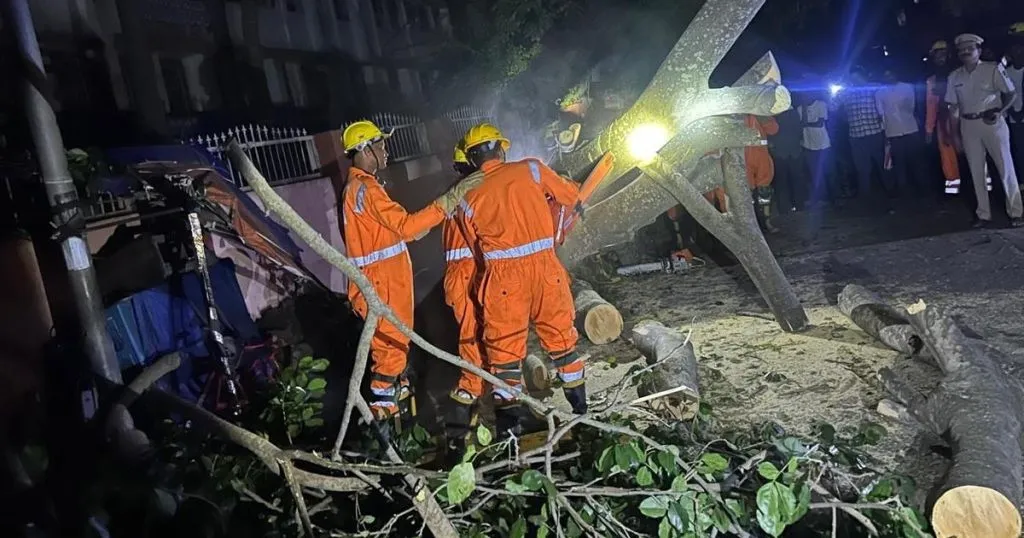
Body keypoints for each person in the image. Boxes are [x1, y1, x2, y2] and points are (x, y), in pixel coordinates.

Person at [340, 120, 482, 428]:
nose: (386, 151)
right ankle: (386, 439)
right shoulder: (364, 189)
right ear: (365, 149)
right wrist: (449, 199)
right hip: (382, 288)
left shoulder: (362, 188)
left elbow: (394, 235)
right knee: (388, 364)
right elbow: (407, 227)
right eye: (380, 145)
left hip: (385, 285)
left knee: (395, 363)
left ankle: (400, 432)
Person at [456, 123, 586, 435]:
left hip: (502, 280)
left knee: (504, 357)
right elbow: (570, 194)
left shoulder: (465, 196)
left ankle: (510, 436)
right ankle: (583, 417)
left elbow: (474, 245)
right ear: (501, 148)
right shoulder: (532, 169)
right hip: (545, 271)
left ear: (472, 159)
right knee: (563, 344)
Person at [945, 33, 1023, 228]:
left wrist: (1001, 112)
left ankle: (1016, 212)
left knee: (1006, 168)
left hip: (993, 124)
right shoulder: (954, 77)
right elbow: (953, 108)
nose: (965, 52)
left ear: (978, 51)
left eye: (970, 49)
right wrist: (954, 135)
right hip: (968, 125)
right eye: (962, 50)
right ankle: (983, 214)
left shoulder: (992, 69)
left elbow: (1011, 94)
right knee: (976, 171)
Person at [442, 141, 488, 456]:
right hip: (468, 280)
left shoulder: (458, 195)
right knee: (475, 362)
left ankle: (462, 438)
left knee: (481, 355)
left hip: (463, 280)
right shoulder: (469, 195)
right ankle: (457, 443)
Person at [832, 68, 888, 201]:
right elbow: (832, 107)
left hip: (875, 133)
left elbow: (888, 102)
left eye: (857, 78)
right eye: (852, 79)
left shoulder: (874, 87)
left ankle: (890, 191)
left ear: (864, 77)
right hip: (856, 137)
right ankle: (865, 197)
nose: (855, 81)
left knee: (882, 164)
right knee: (862, 168)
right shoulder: (845, 92)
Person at [876, 69, 925, 197]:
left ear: (896, 74)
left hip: (910, 129)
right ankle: (904, 192)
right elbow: (881, 115)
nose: (889, 76)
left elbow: (912, 107)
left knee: (916, 161)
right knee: (899, 164)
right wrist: (885, 133)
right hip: (893, 132)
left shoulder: (907, 87)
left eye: (891, 73)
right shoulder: (880, 92)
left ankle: (923, 190)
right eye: (886, 75)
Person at [925, 41, 964, 195]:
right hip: (943, 121)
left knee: (972, 152)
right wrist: (929, 129)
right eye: (937, 54)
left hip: (963, 118)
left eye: (943, 53)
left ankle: (980, 187)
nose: (940, 57)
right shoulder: (931, 80)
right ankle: (953, 191)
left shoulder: (960, 74)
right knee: (947, 157)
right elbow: (931, 105)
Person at [798, 92, 836, 205]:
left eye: (806, 94)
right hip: (808, 145)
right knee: (815, 174)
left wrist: (805, 124)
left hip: (823, 144)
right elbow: (801, 125)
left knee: (829, 172)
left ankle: (834, 197)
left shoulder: (821, 104)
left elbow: (820, 123)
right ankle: (822, 198)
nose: (804, 96)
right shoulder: (800, 108)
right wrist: (804, 110)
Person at [744, 115, 780, 232]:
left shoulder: (761, 111)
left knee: (765, 192)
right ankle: (750, 227)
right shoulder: (735, 110)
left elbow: (774, 129)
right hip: (743, 156)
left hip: (761, 155)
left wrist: (762, 117)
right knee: (746, 192)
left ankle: (766, 222)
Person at [769, 106, 806, 212]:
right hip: (794, 150)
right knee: (797, 179)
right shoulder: (794, 113)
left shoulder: (774, 114)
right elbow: (799, 130)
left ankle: (784, 208)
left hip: (781, 152)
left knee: (781, 182)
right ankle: (799, 205)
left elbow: (771, 132)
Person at [1007, 26, 1024, 175]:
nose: (1018, 52)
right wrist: (1014, 114)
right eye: (1015, 48)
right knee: (1019, 152)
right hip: (1015, 121)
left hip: (1020, 117)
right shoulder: (1006, 73)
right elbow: (1005, 95)